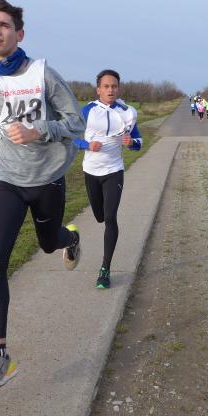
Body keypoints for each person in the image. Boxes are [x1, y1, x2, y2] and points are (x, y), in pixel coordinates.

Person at [0, 0, 86, 393]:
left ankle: (70, 238)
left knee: (48, 243)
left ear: (19, 33)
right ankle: (0, 356)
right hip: (8, 179)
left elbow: (76, 123)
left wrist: (39, 130)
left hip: (47, 178)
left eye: (4, 25)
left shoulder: (43, 74)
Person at [74, 69, 142, 289]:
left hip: (114, 171)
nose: (110, 90)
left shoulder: (127, 113)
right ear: (98, 90)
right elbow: (71, 138)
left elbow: (138, 141)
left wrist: (131, 143)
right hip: (91, 171)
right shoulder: (88, 111)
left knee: (110, 218)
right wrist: (86, 145)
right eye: (106, 86)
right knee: (100, 216)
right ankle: (73, 239)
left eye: (114, 86)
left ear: (118, 89)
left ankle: (105, 269)